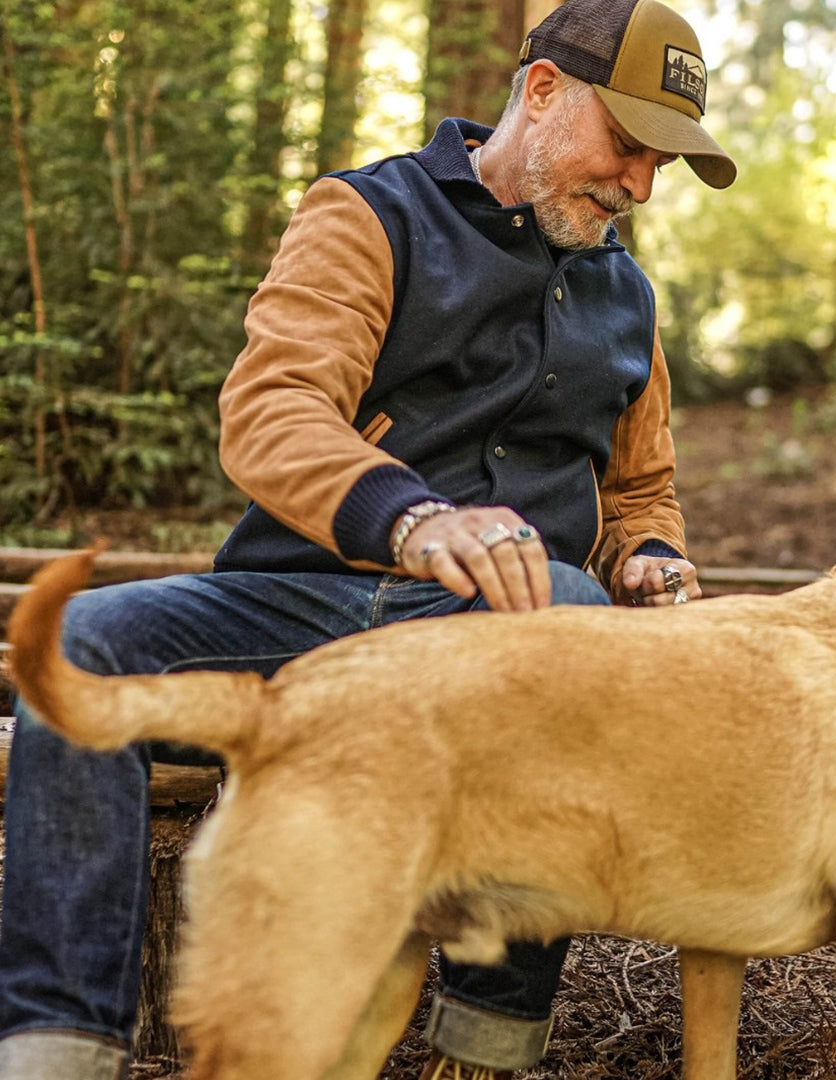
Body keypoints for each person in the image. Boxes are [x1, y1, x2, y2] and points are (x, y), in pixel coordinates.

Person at [0, 1, 735, 1077]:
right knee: (79, 647)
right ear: (540, 93)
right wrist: (412, 516)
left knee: (575, 630)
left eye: (659, 163)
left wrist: (649, 556)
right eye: (627, 145)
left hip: (504, 635)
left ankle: (485, 1048)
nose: (639, 185)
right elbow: (273, 409)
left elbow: (641, 491)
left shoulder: (632, 299)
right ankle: (58, 1051)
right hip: (307, 606)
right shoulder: (368, 213)